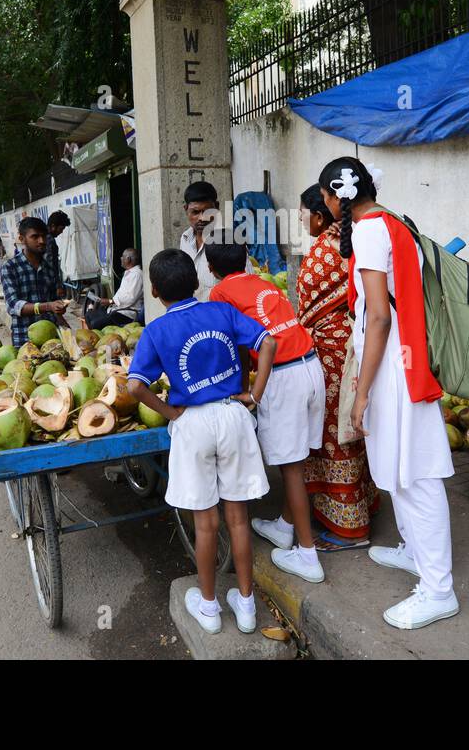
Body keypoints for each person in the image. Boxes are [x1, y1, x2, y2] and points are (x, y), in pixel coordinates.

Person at [319, 156, 460, 630]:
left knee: (415, 475)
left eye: (324, 198)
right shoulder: (394, 221)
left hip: (395, 370)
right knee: (402, 469)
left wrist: (361, 392)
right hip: (404, 360)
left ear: (335, 197)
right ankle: (415, 552)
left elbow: (378, 316)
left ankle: (439, 590)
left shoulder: (368, 231)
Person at [127, 249, 277, 635]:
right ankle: (246, 607)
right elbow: (268, 343)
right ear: (197, 282)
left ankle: (208, 607)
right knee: (238, 518)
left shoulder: (156, 330)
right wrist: (255, 394)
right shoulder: (221, 312)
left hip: (192, 423)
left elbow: (134, 387)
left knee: (206, 524)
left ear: (156, 290)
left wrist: (171, 413)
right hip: (233, 415)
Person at [206, 233, 327, 584]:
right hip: (311, 366)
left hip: (283, 375)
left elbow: (239, 348)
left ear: (211, 268)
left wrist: (246, 391)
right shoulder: (260, 282)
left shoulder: (219, 293)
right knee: (297, 460)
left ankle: (308, 556)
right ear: (246, 258)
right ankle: (285, 528)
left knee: (290, 468)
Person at [297, 184, 380, 551]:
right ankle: (361, 505)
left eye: (302, 213)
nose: (300, 220)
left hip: (331, 357)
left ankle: (351, 528)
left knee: (334, 435)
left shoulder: (322, 252)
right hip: (354, 348)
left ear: (320, 214)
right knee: (350, 429)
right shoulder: (354, 239)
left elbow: (305, 310)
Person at [0, 217, 67, 347]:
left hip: (51, 339)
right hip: (25, 339)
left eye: (44, 236)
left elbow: (53, 300)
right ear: (22, 239)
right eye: (35, 237)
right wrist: (48, 306)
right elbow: (14, 305)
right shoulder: (10, 267)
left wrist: (61, 319)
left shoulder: (48, 268)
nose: (41, 241)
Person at [87, 248, 144, 329]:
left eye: (123, 256)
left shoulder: (137, 275)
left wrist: (111, 301)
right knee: (88, 315)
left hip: (126, 314)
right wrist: (110, 302)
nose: (121, 258)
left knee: (95, 324)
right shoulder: (129, 273)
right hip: (117, 310)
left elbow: (130, 298)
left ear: (128, 259)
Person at [46, 210, 70, 299]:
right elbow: (51, 265)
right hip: (49, 285)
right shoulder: (49, 240)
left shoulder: (44, 237)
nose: (61, 232)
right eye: (61, 229)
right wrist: (58, 286)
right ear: (53, 226)